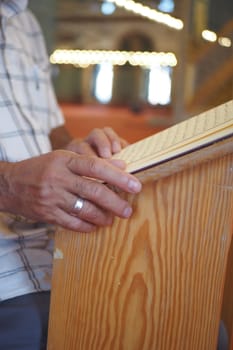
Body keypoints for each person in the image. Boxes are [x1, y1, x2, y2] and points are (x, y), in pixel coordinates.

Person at [0, 1, 142, 349]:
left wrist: (76, 147)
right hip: (7, 279)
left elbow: (50, 128)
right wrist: (8, 185)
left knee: (204, 331)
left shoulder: (26, 23)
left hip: (58, 249)